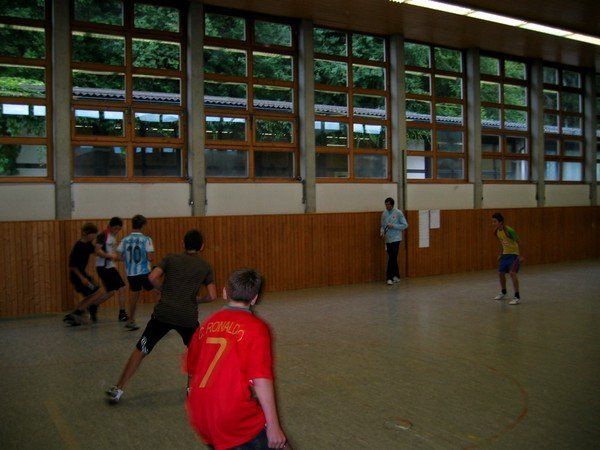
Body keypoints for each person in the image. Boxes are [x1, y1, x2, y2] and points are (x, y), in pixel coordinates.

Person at [106, 229, 217, 403]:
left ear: (183, 243)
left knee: (141, 349)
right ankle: (191, 389)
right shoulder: (205, 267)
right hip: (187, 317)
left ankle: (118, 389)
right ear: (202, 246)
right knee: (196, 351)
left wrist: (164, 290)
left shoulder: (171, 258)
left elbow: (152, 277)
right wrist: (198, 300)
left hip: (163, 313)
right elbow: (212, 295)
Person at [185, 269, 288, 450]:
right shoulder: (256, 328)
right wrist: (273, 425)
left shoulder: (206, 324)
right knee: (280, 445)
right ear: (254, 298)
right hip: (229, 415)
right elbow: (261, 380)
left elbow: (192, 369)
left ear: (225, 292)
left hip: (198, 412)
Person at [63, 223, 113, 326]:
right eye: (93, 234)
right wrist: (82, 278)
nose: (94, 237)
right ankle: (78, 312)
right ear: (86, 233)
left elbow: (97, 252)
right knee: (98, 293)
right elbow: (72, 266)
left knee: (92, 295)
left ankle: (75, 313)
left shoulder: (88, 244)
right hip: (77, 276)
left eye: (95, 235)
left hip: (82, 274)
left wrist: (109, 255)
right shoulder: (79, 246)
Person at [116, 214, 155, 330]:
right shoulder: (146, 240)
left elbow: (119, 256)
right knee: (158, 292)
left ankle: (131, 320)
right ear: (143, 226)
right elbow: (150, 257)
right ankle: (161, 318)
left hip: (131, 273)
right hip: (144, 272)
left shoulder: (125, 240)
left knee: (134, 296)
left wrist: (130, 258)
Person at [94, 217, 127, 323]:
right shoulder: (103, 235)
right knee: (121, 288)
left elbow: (112, 255)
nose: (117, 231)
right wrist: (110, 256)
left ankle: (93, 306)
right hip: (103, 266)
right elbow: (97, 250)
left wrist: (122, 259)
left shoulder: (112, 237)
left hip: (110, 266)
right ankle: (122, 313)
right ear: (113, 227)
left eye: (119, 229)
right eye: (117, 229)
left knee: (110, 292)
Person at [492, 213, 524, 305]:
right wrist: (501, 254)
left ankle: (517, 297)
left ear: (500, 222)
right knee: (500, 273)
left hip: (514, 255)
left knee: (512, 273)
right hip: (505, 255)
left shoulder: (509, 230)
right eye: (492, 221)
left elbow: (519, 242)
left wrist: (520, 256)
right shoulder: (497, 231)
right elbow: (502, 243)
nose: (493, 223)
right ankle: (503, 292)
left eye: (495, 221)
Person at [380, 197, 408, 285]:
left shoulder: (398, 213)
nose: (387, 206)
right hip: (388, 239)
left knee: (392, 257)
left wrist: (394, 226)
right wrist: (382, 232)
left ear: (392, 204)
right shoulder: (384, 214)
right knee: (393, 258)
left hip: (396, 238)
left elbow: (405, 225)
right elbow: (382, 225)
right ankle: (396, 276)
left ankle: (389, 277)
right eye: (386, 204)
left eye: (388, 204)